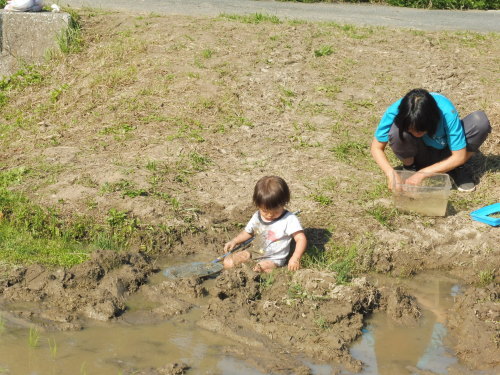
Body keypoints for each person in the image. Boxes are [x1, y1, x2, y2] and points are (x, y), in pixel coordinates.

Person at [371, 88, 491, 192]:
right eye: (411, 130)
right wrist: (390, 173)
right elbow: (376, 147)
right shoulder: (396, 111)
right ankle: (410, 166)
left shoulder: (447, 112)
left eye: (420, 130)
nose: (416, 134)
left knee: (480, 122)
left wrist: (423, 174)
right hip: (419, 152)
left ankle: (455, 168)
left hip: (447, 152)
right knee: (396, 131)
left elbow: (459, 156)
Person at [223, 175, 307, 273]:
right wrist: (235, 241)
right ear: (258, 205)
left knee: (260, 267)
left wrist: (295, 257)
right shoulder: (257, 216)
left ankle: (257, 273)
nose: (270, 215)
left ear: (284, 203)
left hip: (274, 258)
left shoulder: (289, 219)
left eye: (275, 211)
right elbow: (248, 232)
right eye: (265, 211)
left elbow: (301, 238)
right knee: (228, 262)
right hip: (254, 252)